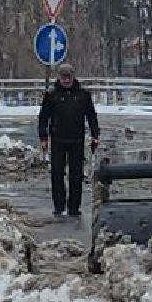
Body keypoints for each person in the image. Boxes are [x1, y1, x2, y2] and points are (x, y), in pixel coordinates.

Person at [37, 63, 99, 218]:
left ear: (73, 77)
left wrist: (95, 135)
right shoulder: (51, 95)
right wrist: (43, 137)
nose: (65, 80)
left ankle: (73, 207)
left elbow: (91, 116)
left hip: (77, 140)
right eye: (63, 77)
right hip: (58, 140)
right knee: (57, 174)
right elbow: (43, 117)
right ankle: (59, 206)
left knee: (76, 175)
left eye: (68, 77)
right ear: (59, 77)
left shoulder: (83, 95)